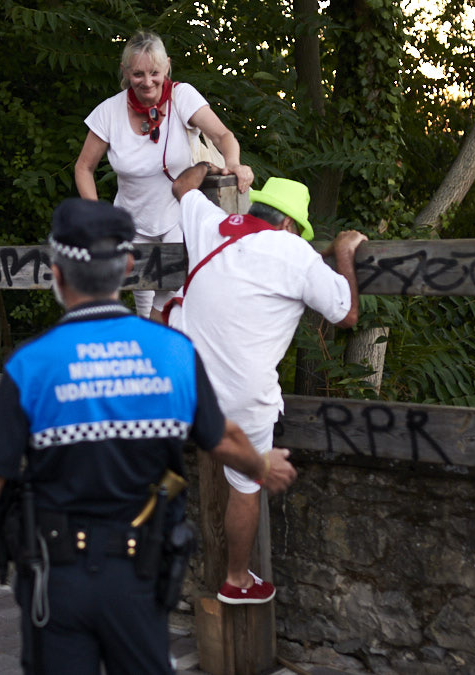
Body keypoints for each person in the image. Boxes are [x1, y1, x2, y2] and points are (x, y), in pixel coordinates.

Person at [0, 199, 296, 673]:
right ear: (127, 267)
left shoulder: (31, 363)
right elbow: (222, 437)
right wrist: (260, 466)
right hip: (139, 573)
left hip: (55, 577)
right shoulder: (172, 352)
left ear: (56, 272)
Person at [167, 163, 366, 605]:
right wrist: (346, 251)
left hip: (186, 386)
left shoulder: (211, 224)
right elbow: (347, 314)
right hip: (242, 396)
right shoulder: (294, 253)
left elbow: (181, 186)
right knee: (246, 482)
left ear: (257, 208)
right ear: (290, 224)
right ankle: (237, 580)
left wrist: (207, 166)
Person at [74, 30, 255, 322]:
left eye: (155, 73)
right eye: (138, 74)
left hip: (178, 216)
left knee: (171, 298)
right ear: (125, 72)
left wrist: (233, 162)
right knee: (145, 308)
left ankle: (165, 353)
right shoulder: (108, 112)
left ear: (167, 66)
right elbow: (83, 167)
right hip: (131, 223)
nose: (147, 82)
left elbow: (223, 135)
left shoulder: (182, 96)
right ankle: (153, 357)